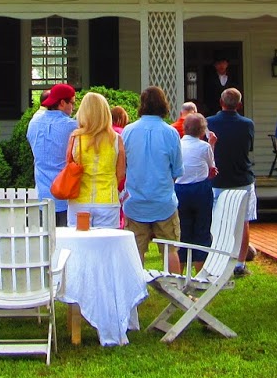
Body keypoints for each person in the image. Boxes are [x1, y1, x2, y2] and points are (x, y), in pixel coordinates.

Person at [121, 86, 183, 266]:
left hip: (135, 201)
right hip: (163, 200)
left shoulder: (128, 131)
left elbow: (123, 165)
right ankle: (174, 288)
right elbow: (177, 170)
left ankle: (134, 290)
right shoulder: (171, 133)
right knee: (170, 249)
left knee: (135, 250)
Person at [208, 86, 258, 272]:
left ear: (221, 103)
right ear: (240, 105)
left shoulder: (210, 122)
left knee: (217, 221)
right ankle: (240, 263)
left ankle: (217, 260)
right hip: (242, 179)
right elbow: (249, 147)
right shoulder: (247, 124)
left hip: (218, 180)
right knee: (242, 222)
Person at [65, 90, 125, 230]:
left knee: (79, 246)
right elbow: (120, 173)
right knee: (106, 247)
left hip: (79, 200)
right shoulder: (116, 139)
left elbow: (68, 165)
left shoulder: (75, 138)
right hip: (107, 200)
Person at [28, 83, 79, 225]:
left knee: (44, 241)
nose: (73, 107)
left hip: (42, 194)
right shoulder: (72, 126)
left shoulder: (33, 123)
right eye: (72, 103)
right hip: (66, 194)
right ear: (62, 103)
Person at [174, 112, 217, 265]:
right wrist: (211, 144)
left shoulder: (177, 144)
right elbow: (211, 167)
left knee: (183, 231)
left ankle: (181, 269)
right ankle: (200, 270)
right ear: (201, 130)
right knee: (202, 230)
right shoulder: (204, 146)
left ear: (184, 128)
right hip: (200, 189)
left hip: (180, 189)